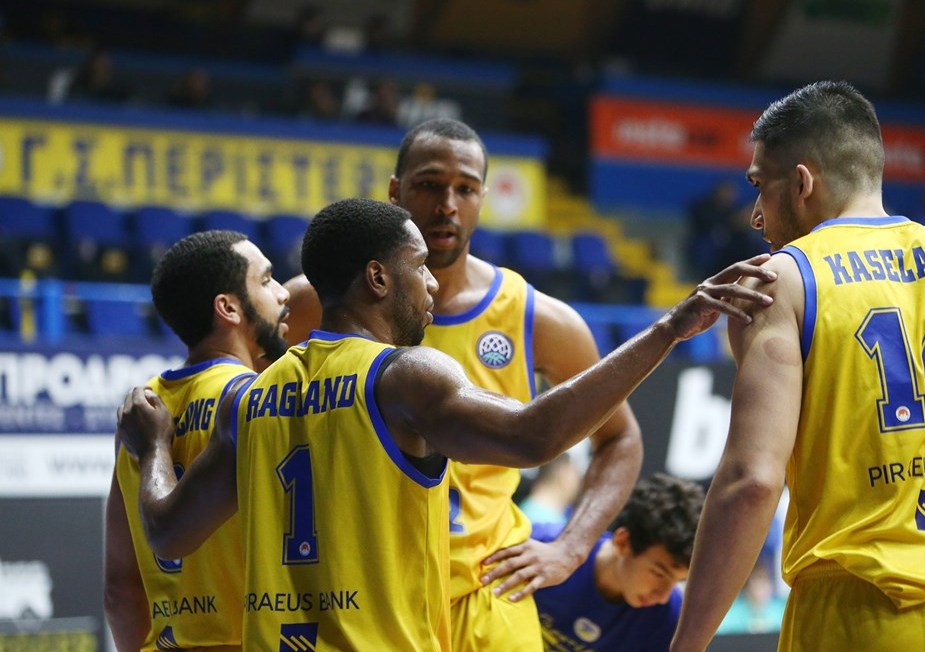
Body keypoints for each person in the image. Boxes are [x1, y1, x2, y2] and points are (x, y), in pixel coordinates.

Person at [117, 197, 775, 650]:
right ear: (378, 277)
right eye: (418, 268)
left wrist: (153, 450)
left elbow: (168, 529)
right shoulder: (404, 376)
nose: (432, 284)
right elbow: (535, 434)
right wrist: (667, 330)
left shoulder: (254, 396)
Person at [284, 118, 649, 651]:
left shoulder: (537, 317)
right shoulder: (312, 302)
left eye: (466, 188)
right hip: (362, 593)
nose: (447, 204)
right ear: (396, 191)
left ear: (482, 198)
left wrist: (571, 547)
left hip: (486, 592)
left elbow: (620, 437)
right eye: (430, 184)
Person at [671, 80, 925, 652]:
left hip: (862, 609)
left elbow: (753, 482)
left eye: (759, 186)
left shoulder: (780, 281)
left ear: (802, 183)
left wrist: (687, 643)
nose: (755, 215)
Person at [103, 230, 289, 651]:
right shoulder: (259, 400)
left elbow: (120, 589)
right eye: (266, 280)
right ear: (228, 308)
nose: (282, 293)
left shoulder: (139, 413)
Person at [532, 473, 704, 651]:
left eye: (678, 581)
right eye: (659, 574)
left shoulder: (669, 619)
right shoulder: (541, 547)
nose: (662, 596)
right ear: (623, 542)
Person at [518, 453, 582, 526]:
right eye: (575, 472)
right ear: (563, 474)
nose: (578, 480)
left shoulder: (529, 510)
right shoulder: (547, 524)